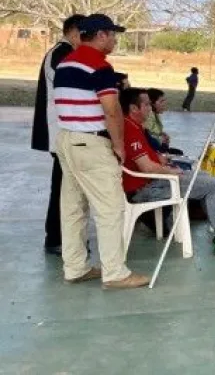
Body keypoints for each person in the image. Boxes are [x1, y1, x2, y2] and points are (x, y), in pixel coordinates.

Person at [53, 14, 148, 289]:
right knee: (110, 208)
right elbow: (111, 109)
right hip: (91, 143)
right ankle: (116, 273)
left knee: (73, 207)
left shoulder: (66, 62)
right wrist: (118, 145)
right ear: (100, 35)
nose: (115, 40)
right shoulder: (99, 66)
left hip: (67, 140)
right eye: (113, 34)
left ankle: (75, 267)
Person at [120, 88, 215, 256]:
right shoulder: (130, 129)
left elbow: (149, 160)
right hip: (145, 188)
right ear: (134, 108)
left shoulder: (135, 126)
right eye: (146, 104)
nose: (150, 107)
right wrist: (170, 171)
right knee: (213, 184)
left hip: (152, 181)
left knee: (205, 177)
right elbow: (147, 168)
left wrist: (163, 159)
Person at [31, 14, 85, 256]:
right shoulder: (61, 54)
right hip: (61, 131)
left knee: (67, 186)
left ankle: (61, 236)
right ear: (73, 33)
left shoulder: (64, 53)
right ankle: (56, 237)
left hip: (65, 131)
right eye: (85, 35)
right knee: (64, 187)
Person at [144, 88, 183, 156]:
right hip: (153, 150)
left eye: (164, 101)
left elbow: (155, 132)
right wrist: (162, 139)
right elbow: (148, 136)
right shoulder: (149, 115)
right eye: (161, 101)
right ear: (152, 103)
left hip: (157, 148)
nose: (164, 104)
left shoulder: (155, 114)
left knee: (178, 153)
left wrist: (162, 134)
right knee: (178, 154)